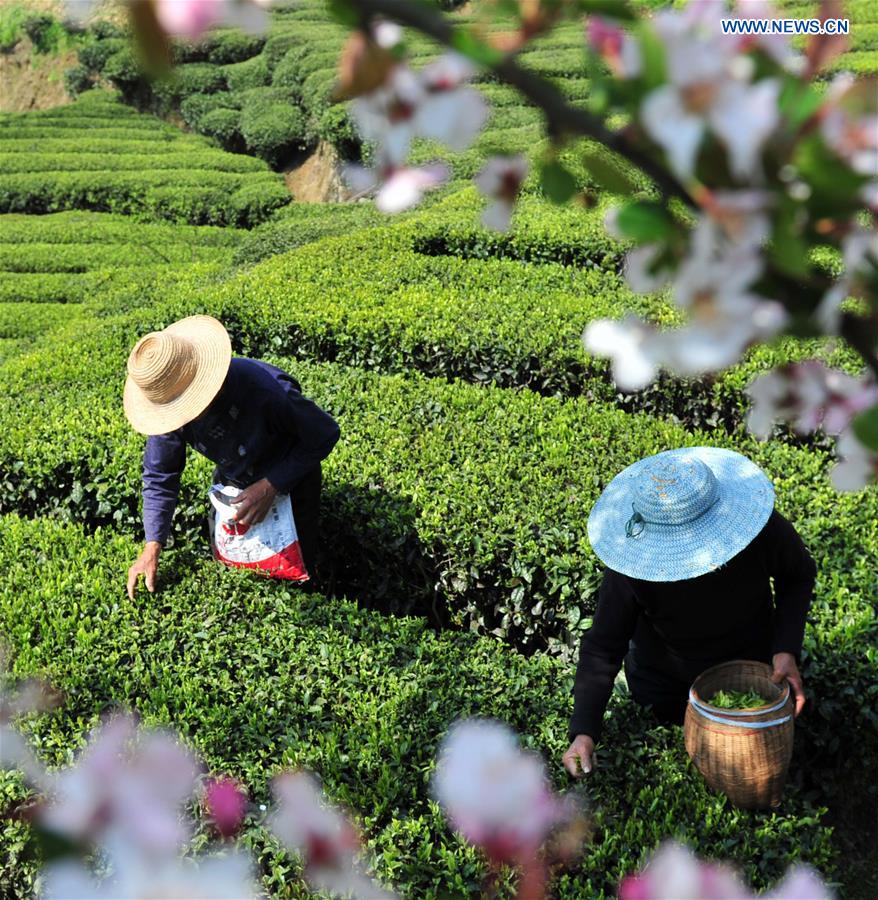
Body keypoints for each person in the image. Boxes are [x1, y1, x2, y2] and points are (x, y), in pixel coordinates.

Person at [562, 447, 816, 778]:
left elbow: (798, 574)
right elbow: (603, 646)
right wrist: (584, 732)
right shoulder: (633, 566)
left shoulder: (756, 528)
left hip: (755, 667)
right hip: (667, 689)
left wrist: (785, 649)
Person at [123, 315, 340, 600]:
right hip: (233, 481)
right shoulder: (169, 407)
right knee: (235, 568)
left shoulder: (268, 390)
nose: (184, 416)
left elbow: (324, 433)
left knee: (294, 576)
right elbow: (160, 475)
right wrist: (152, 547)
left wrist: (271, 485)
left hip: (291, 478)